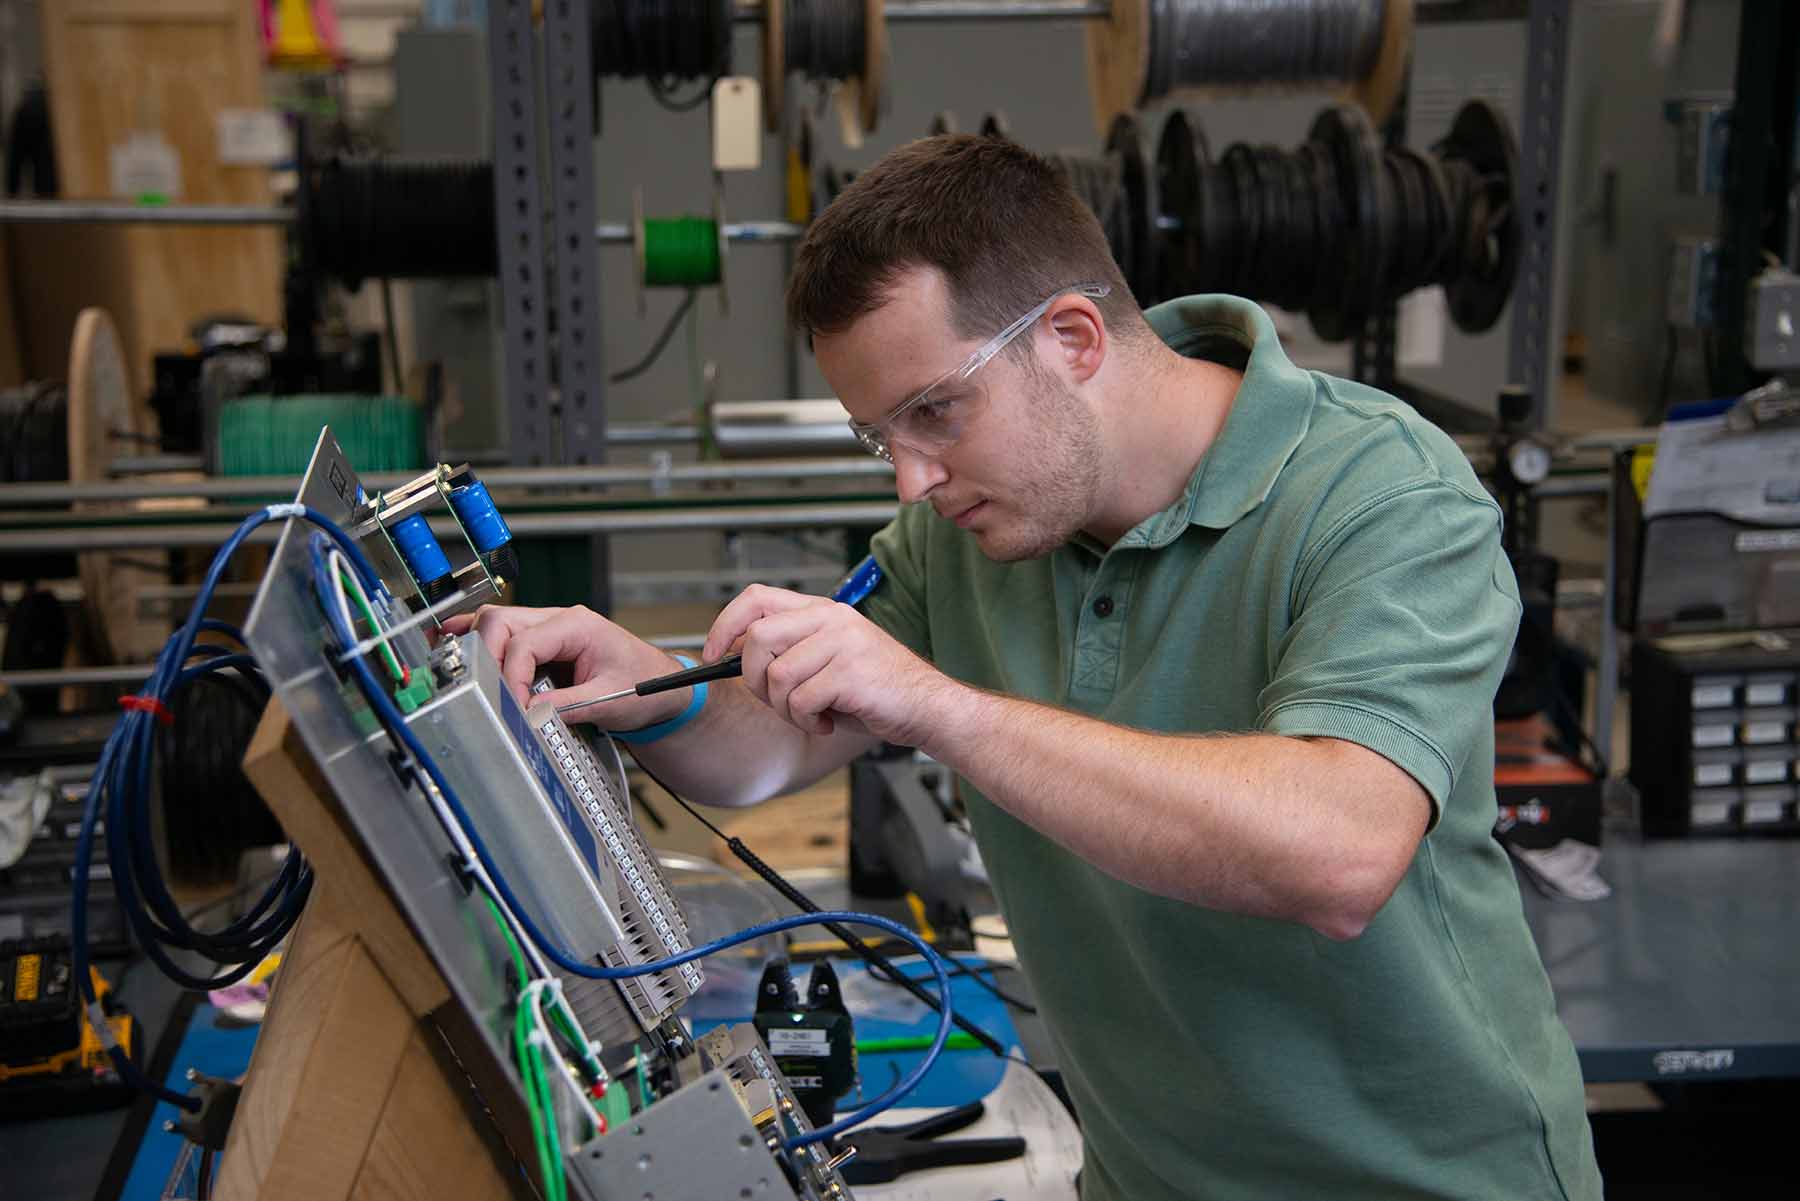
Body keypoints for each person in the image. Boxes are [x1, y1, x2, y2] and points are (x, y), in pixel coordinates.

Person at [447, 134, 1601, 1201]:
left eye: (936, 412)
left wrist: (945, 708)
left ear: (1073, 339)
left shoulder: (1380, 494)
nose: (911, 481)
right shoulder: (968, 530)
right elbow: (770, 742)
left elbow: (1337, 853)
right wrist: (641, 684)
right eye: (880, 437)